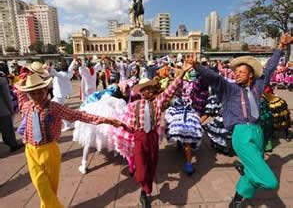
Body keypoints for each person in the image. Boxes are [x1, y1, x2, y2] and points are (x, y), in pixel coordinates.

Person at [193, 33, 292, 208]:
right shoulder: (229, 89)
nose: (236, 74)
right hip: (241, 133)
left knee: (254, 169)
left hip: (257, 131)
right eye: (235, 71)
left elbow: (269, 68)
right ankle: (245, 170)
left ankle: (238, 198)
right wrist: (198, 67)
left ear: (250, 75)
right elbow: (215, 78)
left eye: (241, 72)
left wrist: (280, 46)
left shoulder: (258, 86)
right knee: (270, 182)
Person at [15, 73, 126, 208]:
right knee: (40, 184)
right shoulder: (26, 106)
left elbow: (78, 115)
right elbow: (20, 95)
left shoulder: (54, 107)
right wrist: (21, 82)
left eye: (40, 92)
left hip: (49, 150)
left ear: (45, 90)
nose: (37, 96)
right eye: (33, 93)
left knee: (51, 186)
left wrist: (106, 120)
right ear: (29, 94)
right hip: (30, 150)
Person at [115, 61, 193, 208]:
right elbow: (130, 125)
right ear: (141, 92)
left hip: (152, 138)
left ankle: (145, 192)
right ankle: (143, 184)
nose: (150, 91)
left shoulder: (157, 102)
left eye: (151, 88)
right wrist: (121, 125)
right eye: (146, 89)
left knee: (151, 165)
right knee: (141, 171)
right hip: (139, 139)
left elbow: (172, 88)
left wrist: (182, 73)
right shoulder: (133, 106)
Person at [49, 59, 76, 132]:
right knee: (59, 110)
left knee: (58, 110)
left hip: (59, 95)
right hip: (62, 95)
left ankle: (68, 124)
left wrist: (50, 66)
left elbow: (53, 72)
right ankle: (69, 123)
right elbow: (71, 67)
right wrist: (73, 61)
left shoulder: (60, 74)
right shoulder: (68, 73)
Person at [0, 72, 23, 152]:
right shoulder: (1, 80)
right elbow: (6, 96)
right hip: (2, 110)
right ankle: (13, 144)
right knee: (7, 129)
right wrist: (11, 109)